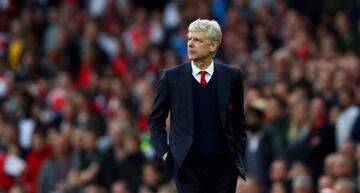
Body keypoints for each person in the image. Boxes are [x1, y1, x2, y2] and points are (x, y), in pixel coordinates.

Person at [148, 19, 247, 193]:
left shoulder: (232, 77)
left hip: (223, 169)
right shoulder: (172, 77)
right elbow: (156, 120)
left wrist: (237, 153)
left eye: (198, 40)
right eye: (189, 39)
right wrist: (165, 153)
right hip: (188, 168)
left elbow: (239, 120)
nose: (190, 44)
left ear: (213, 46)